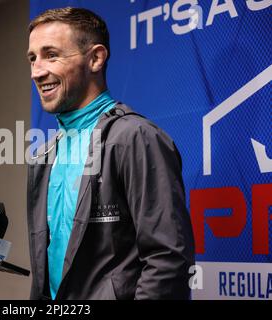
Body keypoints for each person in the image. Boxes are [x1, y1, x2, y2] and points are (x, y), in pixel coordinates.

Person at [26, 7, 195, 300]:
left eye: (51, 54)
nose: (37, 71)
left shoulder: (135, 137)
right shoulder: (45, 154)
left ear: (95, 58)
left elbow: (167, 261)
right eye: (32, 58)